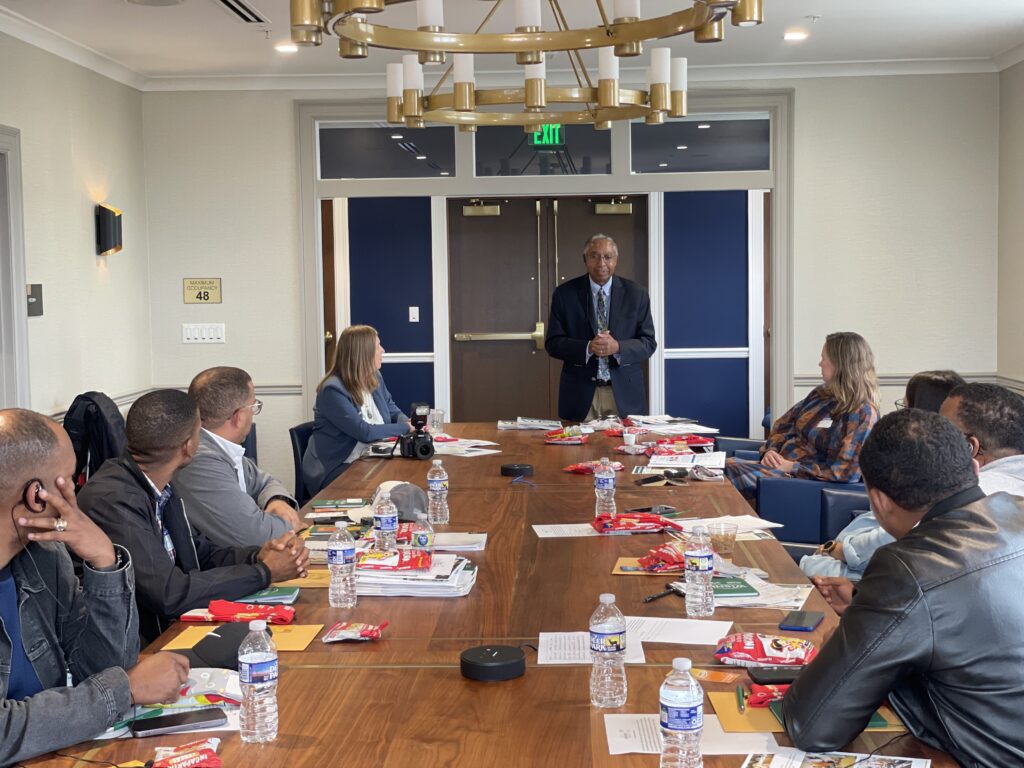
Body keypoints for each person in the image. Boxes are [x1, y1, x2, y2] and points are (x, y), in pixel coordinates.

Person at [783, 409, 1024, 765]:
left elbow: (813, 726)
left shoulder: (908, 566)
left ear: (878, 501)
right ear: (974, 469)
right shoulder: (1016, 509)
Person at [0, 409, 187, 764]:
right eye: (69, 479)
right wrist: (124, 690)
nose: (76, 490)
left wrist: (104, 559)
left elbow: (105, 667)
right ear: (36, 496)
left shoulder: (43, 555)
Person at [79, 390, 309, 644]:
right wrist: (264, 572)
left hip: (175, 632)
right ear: (189, 447)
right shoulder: (114, 500)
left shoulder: (160, 484)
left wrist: (258, 555)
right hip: (145, 650)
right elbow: (169, 593)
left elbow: (201, 553)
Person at [813, 380, 1024, 601]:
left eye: (945, 431)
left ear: (969, 448)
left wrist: (835, 552)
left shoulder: (968, 494)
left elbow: (899, 557)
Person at [799, 370, 965, 580]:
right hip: (855, 554)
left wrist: (836, 550)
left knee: (808, 568)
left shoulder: (928, 473)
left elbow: (894, 536)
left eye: (905, 407)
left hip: (868, 566)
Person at [724, 332, 879, 503]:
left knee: (726, 472)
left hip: (800, 482)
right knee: (720, 467)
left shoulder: (862, 413)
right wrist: (771, 451)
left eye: (824, 358)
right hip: (778, 469)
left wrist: (792, 467)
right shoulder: (820, 395)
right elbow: (782, 425)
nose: (820, 363)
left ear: (840, 364)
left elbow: (844, 472)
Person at [174, 366, 302, 548]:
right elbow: (256, 536)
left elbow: (266, 482)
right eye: (254, 405)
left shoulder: (220, 446)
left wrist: (277, 501)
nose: (253, 413)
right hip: (220, 571)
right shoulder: (200, 459)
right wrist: (290, 522)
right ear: (239, 416)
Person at [544, 233, 657, 422]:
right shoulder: (565, 294)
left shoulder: (637, 294)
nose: (601, 263)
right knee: (578, 451)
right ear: (585, 260)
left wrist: (618, 347)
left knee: (625, 450)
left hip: (624, 394)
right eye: (594, 256)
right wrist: (588, 347)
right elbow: (553, 343)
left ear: (616, 260)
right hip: (580, 394)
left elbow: (648, 343)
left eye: (607, 257)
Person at [301, 325, 411, 495]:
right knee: (391, 489)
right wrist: (406, 428)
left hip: (369, 457)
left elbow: (392, 410)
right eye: (377, 347)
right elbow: (364, 432)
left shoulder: (375, 377)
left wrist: (408, 423)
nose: (383, 350)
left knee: (405, 478)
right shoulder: (332, 390)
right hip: (337, 466)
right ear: (363, 354)